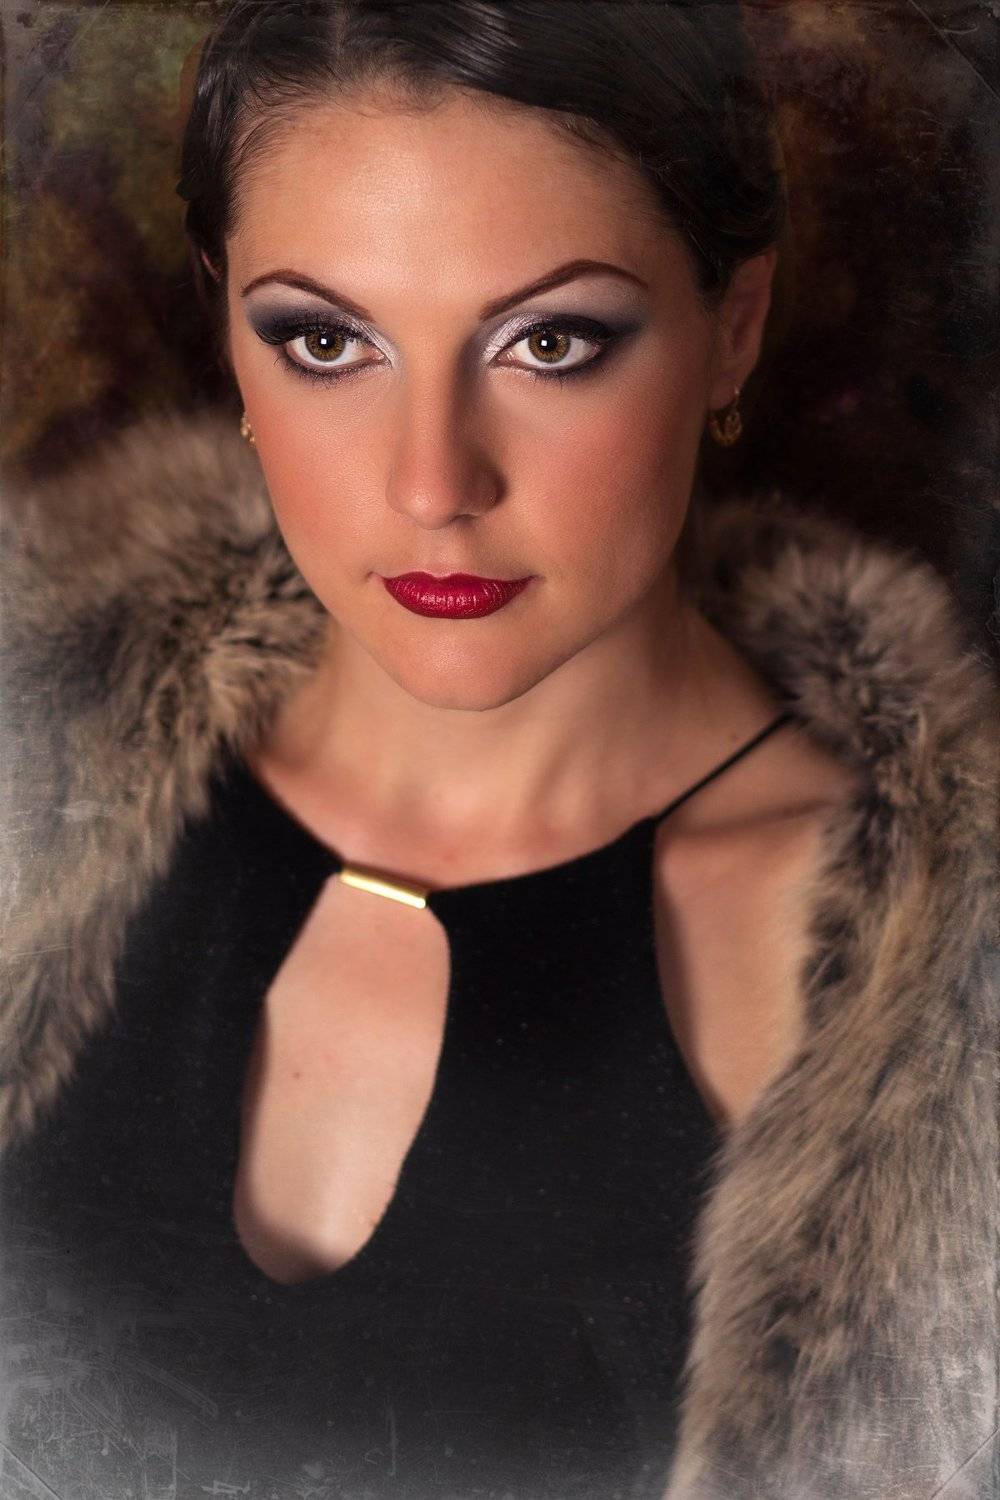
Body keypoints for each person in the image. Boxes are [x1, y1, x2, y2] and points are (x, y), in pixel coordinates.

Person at [0, 3, 995, 1499]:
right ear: (229, 329)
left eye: (550, 341)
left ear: (734, 326)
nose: (432, 483)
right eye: (325, 340)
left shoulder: (947, 997)